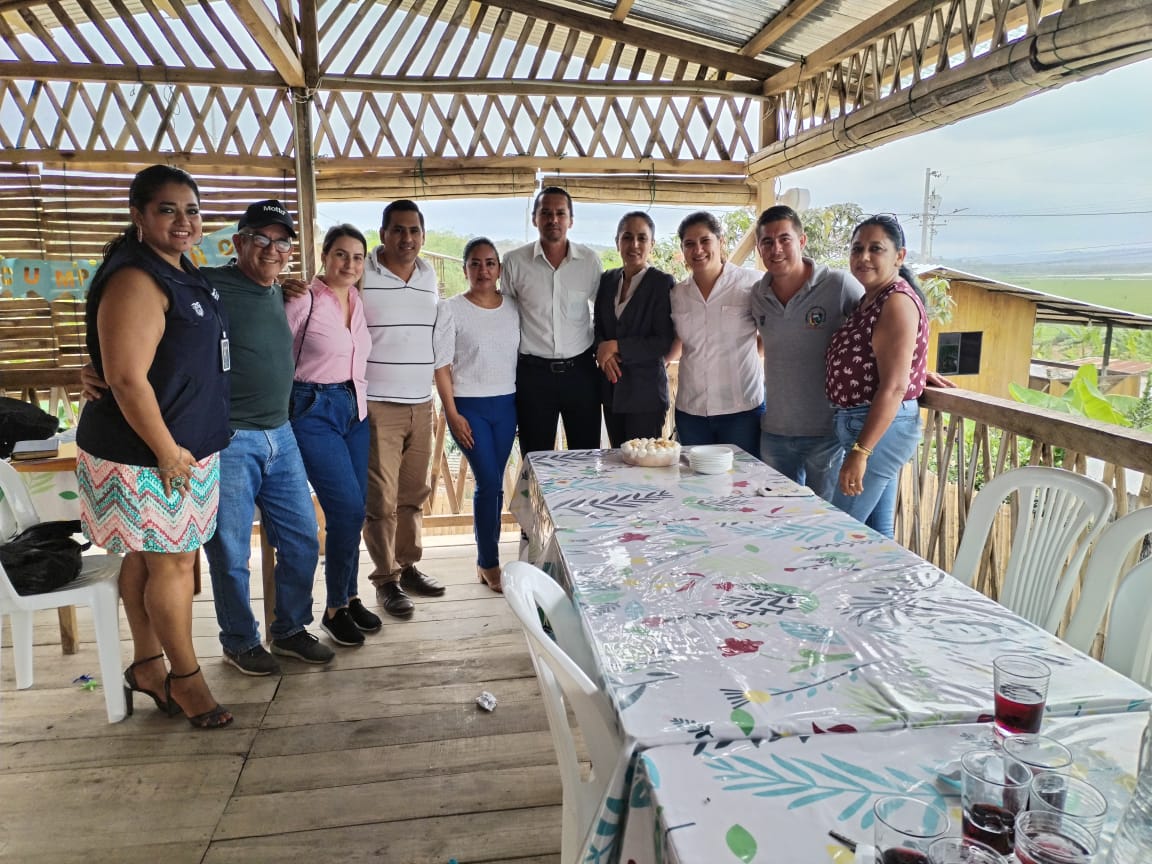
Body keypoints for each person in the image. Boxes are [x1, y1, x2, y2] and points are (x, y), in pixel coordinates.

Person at [83, 199, 335, 676]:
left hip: (281, 434)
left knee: (304, 538)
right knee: (231, 551)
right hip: (229, 436)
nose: (272, 249)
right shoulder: (205, 283)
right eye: (260, 239)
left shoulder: (282, 291)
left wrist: (285, 287)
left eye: (282, 242)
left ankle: (289, 630)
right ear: (238, 242)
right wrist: (93, 364)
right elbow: (126, 323)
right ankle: (240, 641)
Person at [75, 164, 232, 728]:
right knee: (175, 566)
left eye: (192, 210)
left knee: (149, 558)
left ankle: (147, 665)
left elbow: (128, 355)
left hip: (180, 448)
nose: (183, 221)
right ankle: (186, 679)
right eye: (168, 209)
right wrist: (166, 451)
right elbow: (125, 378)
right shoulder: (137, 278)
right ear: (138, 215)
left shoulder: (179, 268)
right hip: (148, 454)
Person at [286, 224, 382, 647]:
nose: (350, 264)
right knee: (346, 509)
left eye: (358, 257)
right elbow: (273, 349)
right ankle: (333, 609)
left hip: (355, 409)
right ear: (325, 255)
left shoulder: (357, 301)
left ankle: (349, 595)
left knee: (356, 510)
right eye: (341, 254)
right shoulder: (302, 299)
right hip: (313, 408)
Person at [360, 200, 445, 619]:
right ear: (383, 234)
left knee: (413, 494)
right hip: (378, 403)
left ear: (423, 236)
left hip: (422, 402)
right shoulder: (362, 272)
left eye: (413, 230)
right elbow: (328, 293)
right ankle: (386, 580)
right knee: (381, 499)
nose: (406, 238)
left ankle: (408, 566)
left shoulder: (429, 275)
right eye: (398, 229)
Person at [826, 214, 930, 537]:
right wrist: (921, 371)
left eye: (876, 248)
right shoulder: (870, 300)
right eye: (857, 249)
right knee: (876, 533)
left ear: (899, 256)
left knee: (835, 532)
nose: (864, 257)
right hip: (867, 425)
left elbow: (895, 386)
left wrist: (861, 452)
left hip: (877, 430)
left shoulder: (896, 301)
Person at [750, 205, 863, 499]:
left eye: (784, 239)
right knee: (776, 514)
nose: (776, 249)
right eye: (767, 242)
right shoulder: (757, 295)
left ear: (801, 241)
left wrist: (912, 368)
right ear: (759, 249)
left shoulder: (838, 285)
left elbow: (879, 325)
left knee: (825, 518)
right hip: (775, 430)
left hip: (827, 432)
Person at [432, 238, 520, 592]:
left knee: (495, 483)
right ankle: (489, 561)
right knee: (488, 483)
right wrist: (452, 414)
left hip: (507, 405)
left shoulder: (513, 307)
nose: (483, 270)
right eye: (475, 263)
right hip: (469, 407)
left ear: (499, 269)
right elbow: (441, 365)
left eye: (490, 263)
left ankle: (487, 557)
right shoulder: (451, 309)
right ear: (464, 268)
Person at [501, 187, 603, 455]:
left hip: (581, 373)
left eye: (560, 213)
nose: (553, 219)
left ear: (571, 220)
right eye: (545, 213)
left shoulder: (589, 261)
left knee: (586, 456)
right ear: (534, 219)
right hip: (533, 376)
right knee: (535, 457)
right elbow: (505, 317)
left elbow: (604, 311)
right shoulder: (514, 262)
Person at [668, 211, 764, 457]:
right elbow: (679, 341)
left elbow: (770, 335)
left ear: (721, 242)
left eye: (705, 240)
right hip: (691, 411)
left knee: (743, 477)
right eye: (689, 243)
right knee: (694, 478)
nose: (698, 250)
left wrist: (747, 356)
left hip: (742, 410)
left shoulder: (752, 283)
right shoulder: (677, 294)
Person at [594, 212, 676, 446]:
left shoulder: (662, 283)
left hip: (646, 396)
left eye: (642, 238)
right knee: (617, 461)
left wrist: (617, 346)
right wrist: (603, 350)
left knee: (643, 463)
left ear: (652, 244)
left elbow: (663, 341)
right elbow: (598, 325)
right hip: (612, 392)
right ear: (617, 242)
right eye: (627, 237)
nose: (634, 244)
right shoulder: (607, 280)